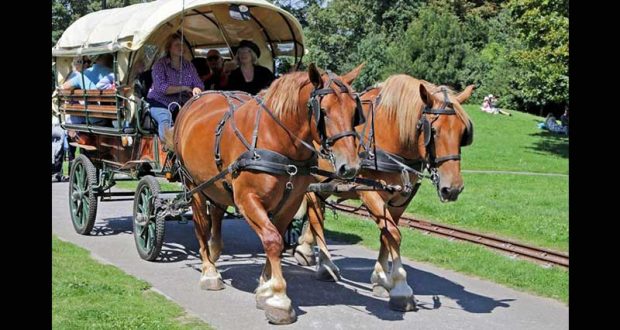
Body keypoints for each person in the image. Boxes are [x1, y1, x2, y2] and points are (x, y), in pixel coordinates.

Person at [146, 34, 203, 143]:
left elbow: (198, 83)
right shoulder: (160, 65)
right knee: (165, 118)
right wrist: (184, 88)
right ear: (169, 48)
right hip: (159, 102)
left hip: (182, 103)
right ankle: (169, 147)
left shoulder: (188, 65)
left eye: (182, 44)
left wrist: (197, 88)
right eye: (177, 45)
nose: (181, 47)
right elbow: (162, 88)